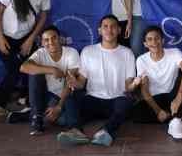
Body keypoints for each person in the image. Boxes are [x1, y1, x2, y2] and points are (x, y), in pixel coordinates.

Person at [56, 16, 136, 147]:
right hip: (93, 99)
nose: (109, 29)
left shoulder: (127, 53)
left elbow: (128, 85)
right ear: (99, 30)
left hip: (116, 101)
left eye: (113, 26)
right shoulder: (88, 51)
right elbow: (81, 82)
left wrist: (133, 86)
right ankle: (76, 131)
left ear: (119, 30)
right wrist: (74, 83)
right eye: (105, 26)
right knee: (70, 98)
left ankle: (105, 132)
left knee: (127, 102)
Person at [0, 0, 51, 114]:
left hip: (27, 37)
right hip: (5, 36)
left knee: (32, 67)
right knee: (14, 70)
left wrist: (31, 39)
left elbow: (44, 16)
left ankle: (29, 99)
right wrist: (0, 37)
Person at [131, 26, 182, 140]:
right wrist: (158, 111)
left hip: (174, 95)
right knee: (135, 113)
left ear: (162, 40)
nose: (154, 42)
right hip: (156, 99)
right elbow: (145, 89)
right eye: (150, 39)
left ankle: (177, 120)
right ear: (145, 44)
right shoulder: (141, 60)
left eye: (157, 38)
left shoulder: (174, 52)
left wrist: (179, 96)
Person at [11, 25, 81, 135]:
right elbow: (23, 67)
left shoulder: (71, 53)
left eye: (54, 38)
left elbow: (69, 83)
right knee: (34, 72)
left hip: (62, 97)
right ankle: (36, 119)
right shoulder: (40, 53)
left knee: (64, 121)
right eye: (46, 40)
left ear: (60, 39)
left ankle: (32, 113)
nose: (51, 42)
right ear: (42, 42)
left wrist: (59, 107)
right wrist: (51, 69)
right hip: (44, 95)